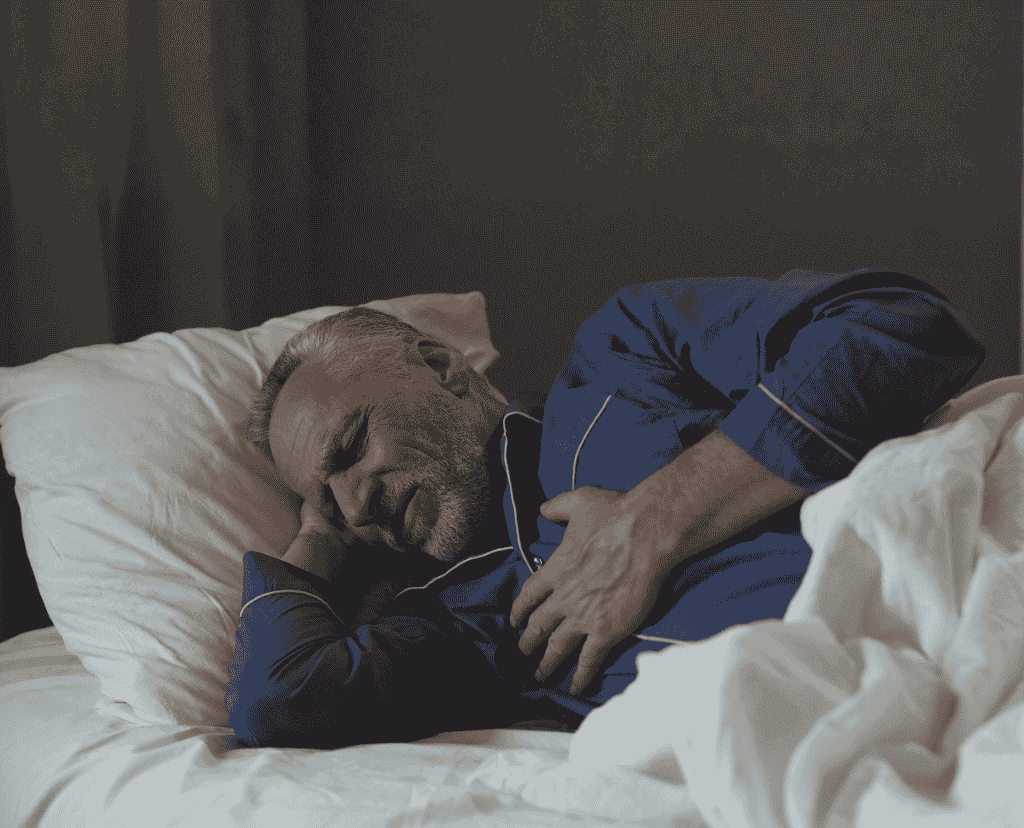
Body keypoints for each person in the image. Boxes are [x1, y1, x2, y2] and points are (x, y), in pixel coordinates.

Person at [225, 268, 985, 749]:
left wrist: (652, 524)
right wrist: (315, 545)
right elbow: (281, 699)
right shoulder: (461, 624)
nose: (356, 503)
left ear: (440, 366)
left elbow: (901, 322)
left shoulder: (624, 355)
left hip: (966, 585)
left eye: (352, 445)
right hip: (877, 731)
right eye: (327, 502)